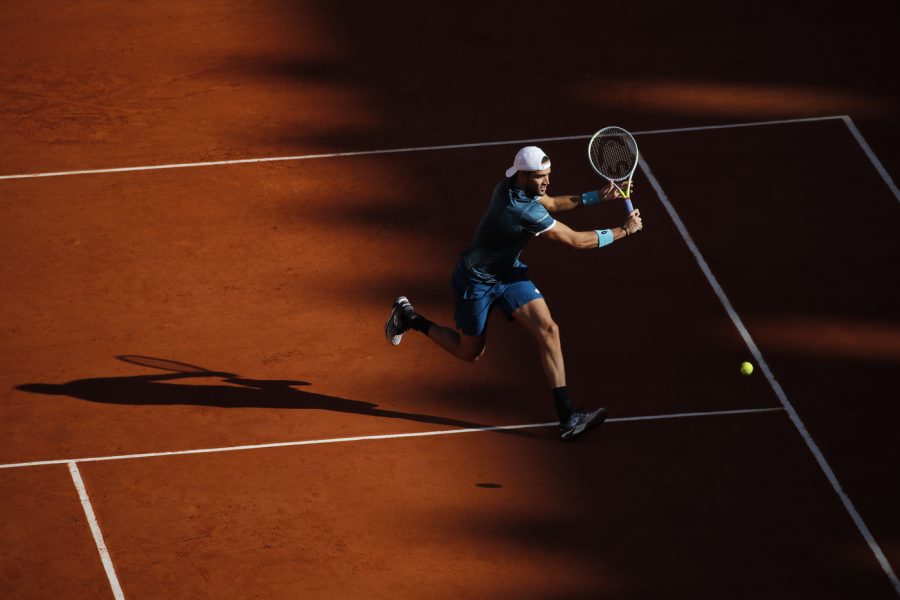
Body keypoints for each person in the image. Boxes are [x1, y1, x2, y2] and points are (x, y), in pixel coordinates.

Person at [385, 146, 643, 440]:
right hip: (475, 282)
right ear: (522, 175)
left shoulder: (512, 185)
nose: (547, 181)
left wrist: (598, 196)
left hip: (508, 274)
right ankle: (409, 318)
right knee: (469, 353)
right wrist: (624, 230)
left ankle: (568, 417)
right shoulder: (521, 209)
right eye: (540, 177)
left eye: (548, 175)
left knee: (549, 330)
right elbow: (576, 241)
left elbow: (551, 203)